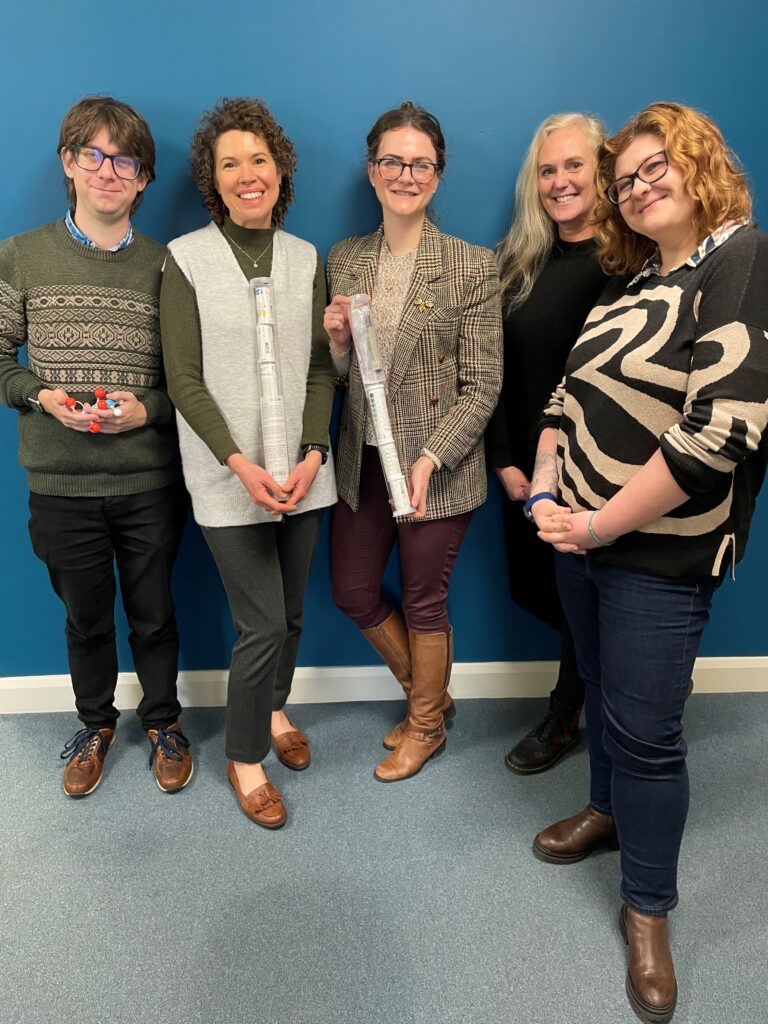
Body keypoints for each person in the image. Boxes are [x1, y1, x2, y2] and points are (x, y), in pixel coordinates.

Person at [527, 102, 768, 1022]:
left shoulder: (739, 259)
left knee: (648, 737)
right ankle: (604, 813)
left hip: (658, 555)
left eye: (654, 167)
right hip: (577, 538)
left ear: (700, 162)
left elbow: (723, 433)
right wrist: (546, 490)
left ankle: (648, 908)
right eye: (624, 180)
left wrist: (597, 527)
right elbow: (565, 397)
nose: (636, 187)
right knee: (598, 689)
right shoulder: (633, 283)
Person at [0, 96, 192, 798]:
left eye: (126, 161)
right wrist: (40, 395)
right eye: (94, 155)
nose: (108, 171)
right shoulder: (21, 255)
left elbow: (187, 383)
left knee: (155, 614)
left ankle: (164, 722)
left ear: (143, 180)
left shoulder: (169, 266)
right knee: (84, 618)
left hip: (147, 481)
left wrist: (148, 410)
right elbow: (0, 360)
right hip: (60, 482)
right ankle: (95, 726)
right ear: (68, 162)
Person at [161, 97, 336, 829]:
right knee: (260, 623)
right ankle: (244, 756)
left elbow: (322, 369)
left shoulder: (307, 259)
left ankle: (273, 708)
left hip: (302, 473)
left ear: (280, 170)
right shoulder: (185, 259)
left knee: (290, 614)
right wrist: (239, 463)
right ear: (214, 179)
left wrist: (313, 452)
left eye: (258, 159)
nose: (246, 174)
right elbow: (183, 378)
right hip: (225, 475)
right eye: (229, 163)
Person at [325, 101, 502, 782]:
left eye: (420, 164)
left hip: (438, 466)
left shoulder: (470, 266)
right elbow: (345, 379)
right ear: (372, 171)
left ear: (438, 174)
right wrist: (339, 345)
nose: (406, 175)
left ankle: (425, 725)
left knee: (426, 600)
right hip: (363, 461)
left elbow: (483, 384)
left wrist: (432, 456)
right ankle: (432, 696)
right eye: (392, 162)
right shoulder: (345, 259)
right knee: (352, 591)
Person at [486, 112, 608, 774]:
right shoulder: (518, 261)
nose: (560, 181)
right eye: (547, 170)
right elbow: (494, 369)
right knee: (539, 592)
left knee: (584, 597)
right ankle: (605, 678)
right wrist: (503, 457)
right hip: (522, 468)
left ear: (601, 171)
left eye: (574, 165)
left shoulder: (629, 265)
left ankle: (566, 713)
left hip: (592, 472)